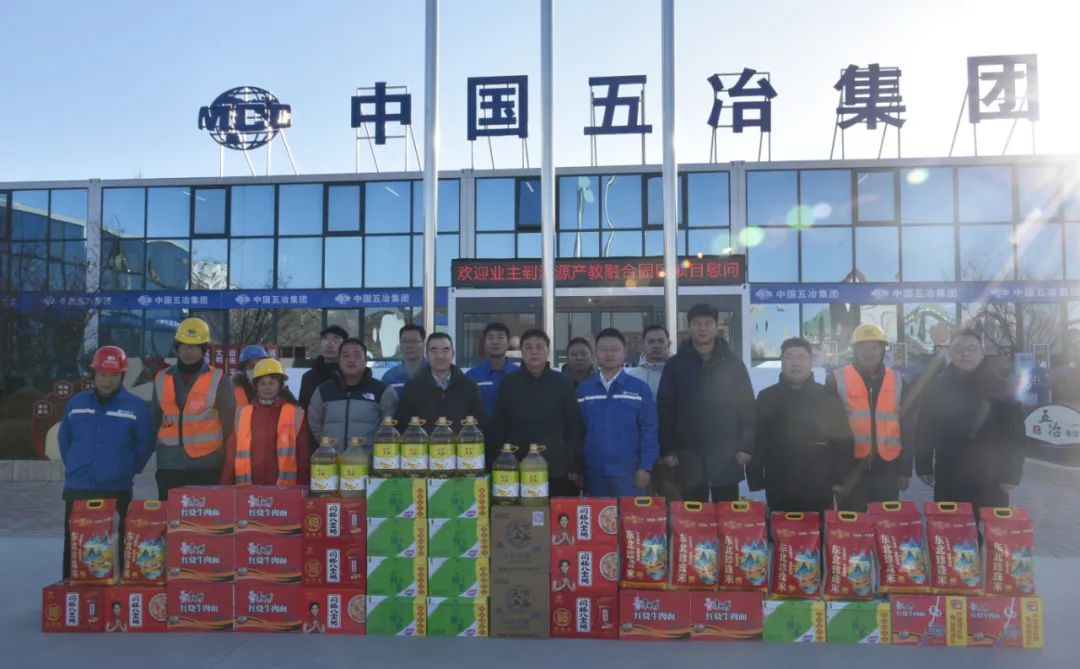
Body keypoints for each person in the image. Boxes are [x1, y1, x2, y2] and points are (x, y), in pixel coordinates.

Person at [59, 346, 154, 578]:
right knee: (75, 545)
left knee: (116, 544)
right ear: (94, 374)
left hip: (116, 488)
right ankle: (72, 591)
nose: (107, 380)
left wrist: (126, 469)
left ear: (122, 376)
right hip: (78, 487)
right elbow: (65, 440)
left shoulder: (136, 407)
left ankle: (114, 593)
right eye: (102, 374)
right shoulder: (76, 403)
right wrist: (76, 466)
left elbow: (144, 445)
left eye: (113, 375)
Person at [656, 303, 756, 503]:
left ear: (716, 327)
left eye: (708, 323)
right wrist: (667, 449)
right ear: (689, 327)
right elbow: (665, 409)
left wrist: (746, 446)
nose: (703, 328)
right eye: (697, 324)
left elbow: (747, 408)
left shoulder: (733, 364)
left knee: (727, 513)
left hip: (727, 453)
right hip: (687, 454)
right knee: (692, 513)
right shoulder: (675, 365)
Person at [915, 329, 1025, 510]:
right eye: (958, 349)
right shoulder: (936, 387)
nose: (965, 354)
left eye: (972, 348)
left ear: (982, 352)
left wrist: (1011, 474)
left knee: (989, 526)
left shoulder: (1002, 387)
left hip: (991, 476)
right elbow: (925, 427)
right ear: (950, 352)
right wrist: (923, 465)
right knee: (949, 524)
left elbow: (1014, 433)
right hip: (949, 473)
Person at [748, 338, 854, 513]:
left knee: (819, 530)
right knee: (782, 530)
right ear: (781, 361)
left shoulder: (827, 396)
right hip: (779, 487)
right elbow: (757, 439)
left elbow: (843, 441)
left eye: (801, 357)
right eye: (789, 356)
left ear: (810, 362)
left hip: (820, 486)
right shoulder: (767, 397)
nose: (795, 363)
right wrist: (755, 477)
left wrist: (839, 478)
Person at [826, 323, 913, 511]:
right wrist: (835, 474)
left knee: (885, 522)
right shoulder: (836, 379)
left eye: (874, 347)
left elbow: (907, 426)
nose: (869, 353)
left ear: (882, 350)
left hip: (887, 467)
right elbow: (830, 430)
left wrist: (904, 470)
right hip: (850, 468)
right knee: (852, 523)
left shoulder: (898, 380)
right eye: (863, 348)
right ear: (855, 351)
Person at [488, 329, 584, 496]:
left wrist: (574, 465)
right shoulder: (508, 383)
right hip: (516, 466)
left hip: (556, 468)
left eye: (539, 347)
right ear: (522, 352)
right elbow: (498, 426)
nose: (534, 352)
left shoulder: (563, 382)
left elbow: (574, 426)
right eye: (529, 347)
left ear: (548, 350)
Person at [151, 318, 235, 500]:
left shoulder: (219, 380)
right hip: (169, 465)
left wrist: (224, 457)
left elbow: (230, 424)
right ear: (177, 347)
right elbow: (154, 420)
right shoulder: (161, 378)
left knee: (207, 515)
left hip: (207, 465)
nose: (189, 351)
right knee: (170, 514)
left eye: (195, 347)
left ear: (204, 349)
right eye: (184, 346)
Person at [577, 328, 659, 497]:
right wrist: (577, 468)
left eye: (615, 349)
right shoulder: (584, 391)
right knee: (597, 514)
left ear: (624, 353)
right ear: (595, 353)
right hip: (594, 474)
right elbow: (576, 432)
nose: (609, 354)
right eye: (603, 349)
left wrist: (646, 467)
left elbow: (650, 430)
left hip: (630, 474)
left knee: (631, 515)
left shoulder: (639, 389)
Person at [221, 358, 310, 486]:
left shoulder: (295, 413)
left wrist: (302, 487)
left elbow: (303, 456)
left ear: (280, 385)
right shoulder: (244, 413)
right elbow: (231, 453)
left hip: (284, 489)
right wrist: (225, 484)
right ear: (256, 387)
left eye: (272, 383)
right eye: (263, 383)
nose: (267, 387)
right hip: (249, 488)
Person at [308, 338, 399, 450]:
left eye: (357, 355)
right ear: (339, 360)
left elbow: (388, 429)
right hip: (332, 458)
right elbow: (315, 425)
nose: (351, 360)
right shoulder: (323, 391)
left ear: (365, 360)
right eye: (346, 355)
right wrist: (328, 448)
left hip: (367, 459)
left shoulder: (382, 391)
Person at [395, 333, 486, 431]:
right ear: (427, 354)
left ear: (453, 354)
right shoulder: (412, 387)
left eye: (445, 351)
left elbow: (480, 424)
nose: (440, 356)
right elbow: (403, 426)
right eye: (434, 351)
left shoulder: (469, 387)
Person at [465, 322, 519, 419]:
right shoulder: (471, 376)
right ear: (484, 343)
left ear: (508, 344)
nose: (495, 342)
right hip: (480, 428)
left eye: (500, 337)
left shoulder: (519, 374)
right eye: (490, 338)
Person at [299, 325, 348, 411]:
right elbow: (302, 409)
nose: (329, 344)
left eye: (335, 339)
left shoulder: (350, 375)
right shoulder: (308, 377)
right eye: (325, 339)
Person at [628, 324, 671, 395]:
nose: (656, 345)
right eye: (651, 342)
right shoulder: (631, 376)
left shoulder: (680, 373)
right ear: (643, 345)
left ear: (669, 344)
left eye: (661, 341)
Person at [382, 324, 427, 390]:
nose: (410, 346)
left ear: (424, 344)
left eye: (414, 341)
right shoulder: (389, 377)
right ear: (400, 345)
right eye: (405, 341)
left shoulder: (435, 372)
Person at [231, 345, 269, 409]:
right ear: (248, 360)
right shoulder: (237, 383)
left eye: (263, 359)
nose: (262, 361)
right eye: (259, 358)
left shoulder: (265, 379)